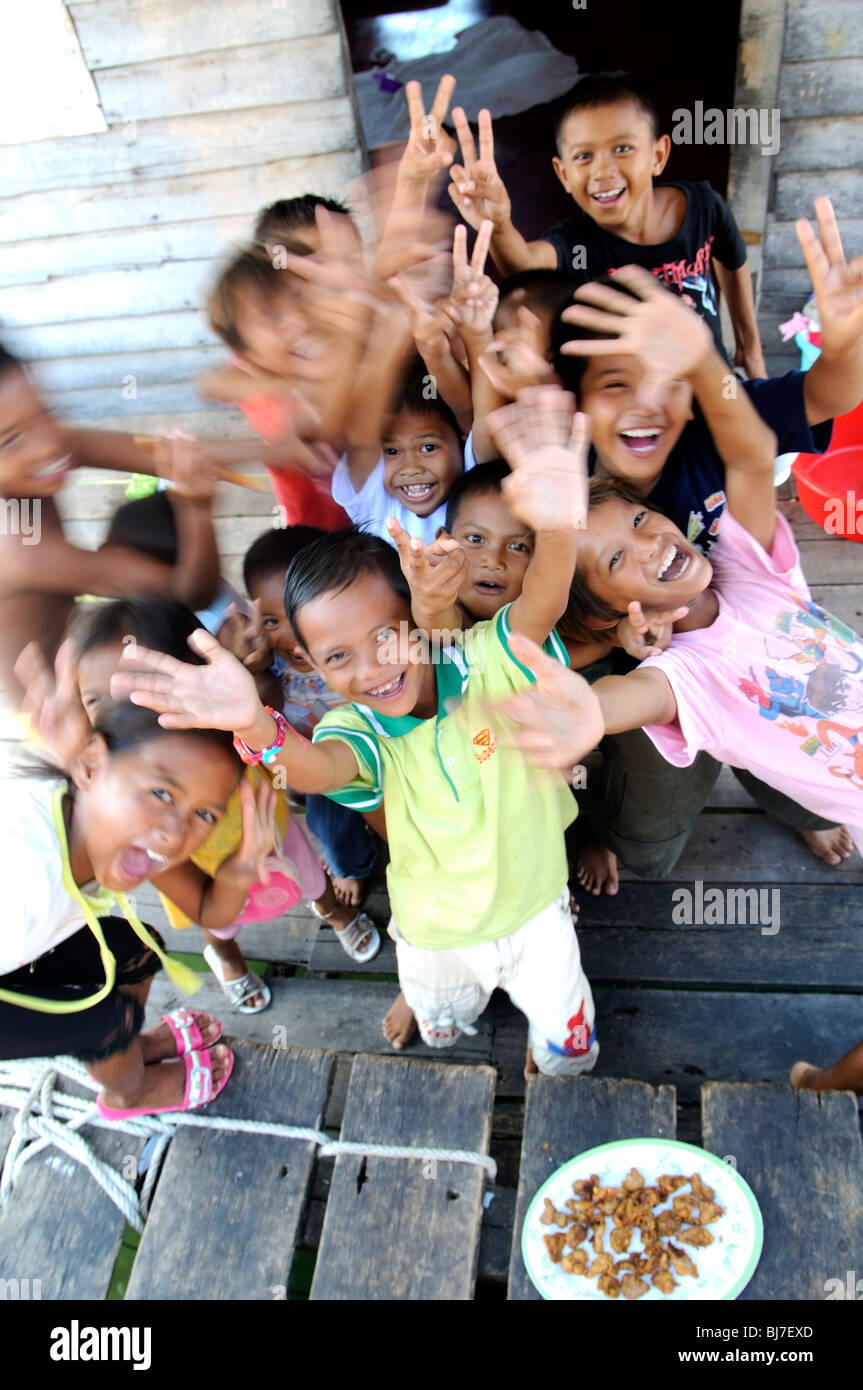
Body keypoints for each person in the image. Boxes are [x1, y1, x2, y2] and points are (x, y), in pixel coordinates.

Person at [111, 428, 599, 1079]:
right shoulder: (355, 727)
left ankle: (552, 1062)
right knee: (444, 1016)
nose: (371, 669)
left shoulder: (482, 659)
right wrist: (253, 722)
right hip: (437, 934)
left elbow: (543, 602)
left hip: (540, 907)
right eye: (338, 657)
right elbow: (318, 769)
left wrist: (561, 518)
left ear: (418, 612)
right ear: (312, 663)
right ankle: (440, 1014)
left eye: (385, 636)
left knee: (566, 1038)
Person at [551, 228, 862, 890]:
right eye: (615, 383)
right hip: (666, 679)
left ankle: (794, 809)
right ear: (576, 405)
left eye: (670, 379)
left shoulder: (714, 424)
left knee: (784, 763)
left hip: (765, 655)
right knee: (650, 837)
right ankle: (614, 836)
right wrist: (609, 651)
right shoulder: (561, 501)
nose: (645, 402)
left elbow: (821, 399)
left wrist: (840, 343)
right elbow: (574, 655)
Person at [484, 325, 863, 864]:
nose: (647, 541)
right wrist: (591, 711)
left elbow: (754, 454)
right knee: (657, 828)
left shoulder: (750, 568)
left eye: (640, 518)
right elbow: (634, 698)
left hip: (829, 792)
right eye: (615, 559)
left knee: (786, 785)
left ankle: (802, 815)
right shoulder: (687, 675)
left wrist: (710, 360)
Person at [0, 700, 245, 1119]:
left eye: (204, 814)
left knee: (138, 951)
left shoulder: (97, 808)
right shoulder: (22, 888)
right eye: (162, 793)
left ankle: (128, 1048)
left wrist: (246, 868)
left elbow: (210, 910)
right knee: (103, 1020)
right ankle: (128, 1092)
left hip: (25, 940)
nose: (173, 836)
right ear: (91, 763)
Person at [448, 71, 766, 375]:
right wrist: (500, 224)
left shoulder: (702, 206)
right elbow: (525, 265)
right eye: (584, 156)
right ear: (564, 175)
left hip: (714, 388)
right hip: (635, 413)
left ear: (658, 155)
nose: (603, 171)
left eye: (622, 149)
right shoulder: (576, 243)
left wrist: (749, 348)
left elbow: (732, 259)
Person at [0, 346, 220, 706]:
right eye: (10, 440)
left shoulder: (33, 448)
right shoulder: (17, 546)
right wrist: (197, 509)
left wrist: (281, 450)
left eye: (45, 412)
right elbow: (192, 593)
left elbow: (176, 456)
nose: (47, 443)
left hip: (83, 660)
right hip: (67, 712)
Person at [242, 524, 381, 925]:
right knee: (328, 825)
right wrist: (255, 669)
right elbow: (265, 707)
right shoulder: (272, 666)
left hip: (378, 745)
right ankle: (352, 866)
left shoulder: (357, 645)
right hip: (322, 763)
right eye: (271, 621)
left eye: (298, 611)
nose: (290, 633)